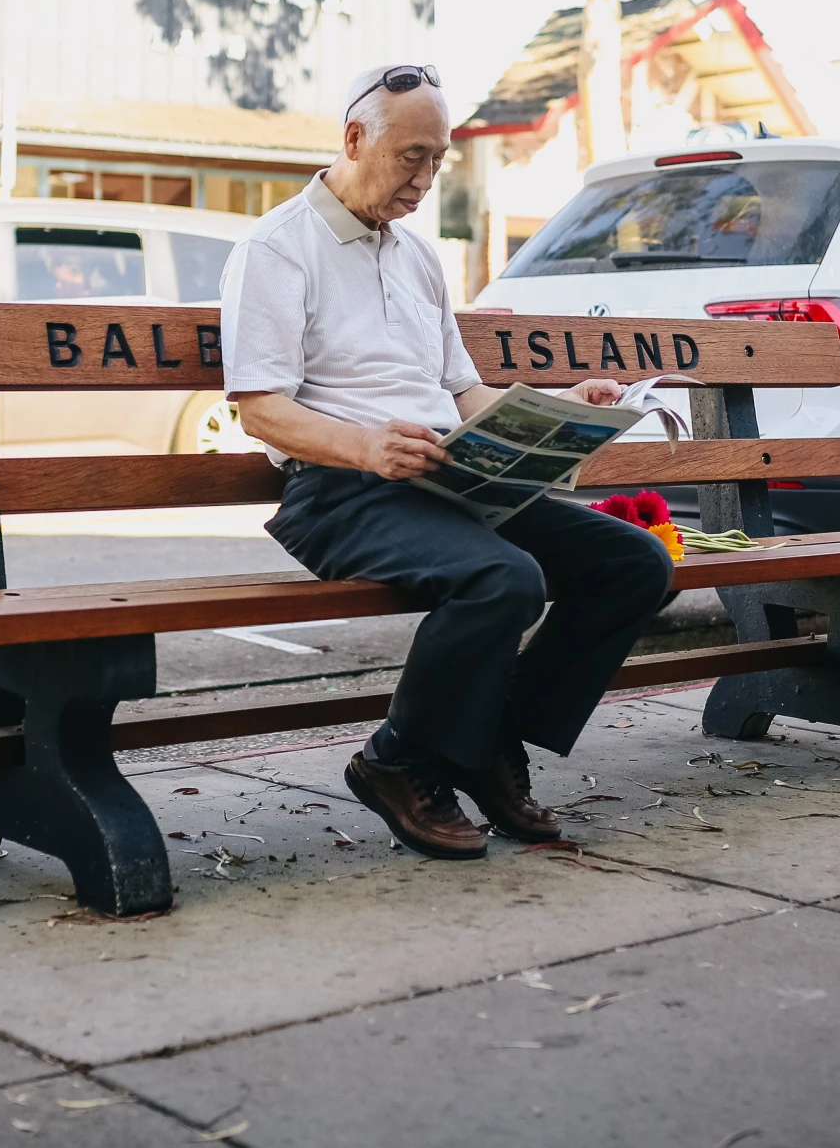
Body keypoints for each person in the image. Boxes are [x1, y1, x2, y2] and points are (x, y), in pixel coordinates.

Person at [222, 61, 677, 860]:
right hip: (342, 489)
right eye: (413, 156)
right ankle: (397, 759)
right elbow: (261, 408)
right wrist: (366, 445)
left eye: (439, 159)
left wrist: (560, 406)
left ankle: (492, 737)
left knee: (633, 562)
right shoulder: (276, 248)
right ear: (355, 137)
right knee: (504, 578)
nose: (427, 177)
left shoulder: (417, 256)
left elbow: (461, 395)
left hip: (449, 478)